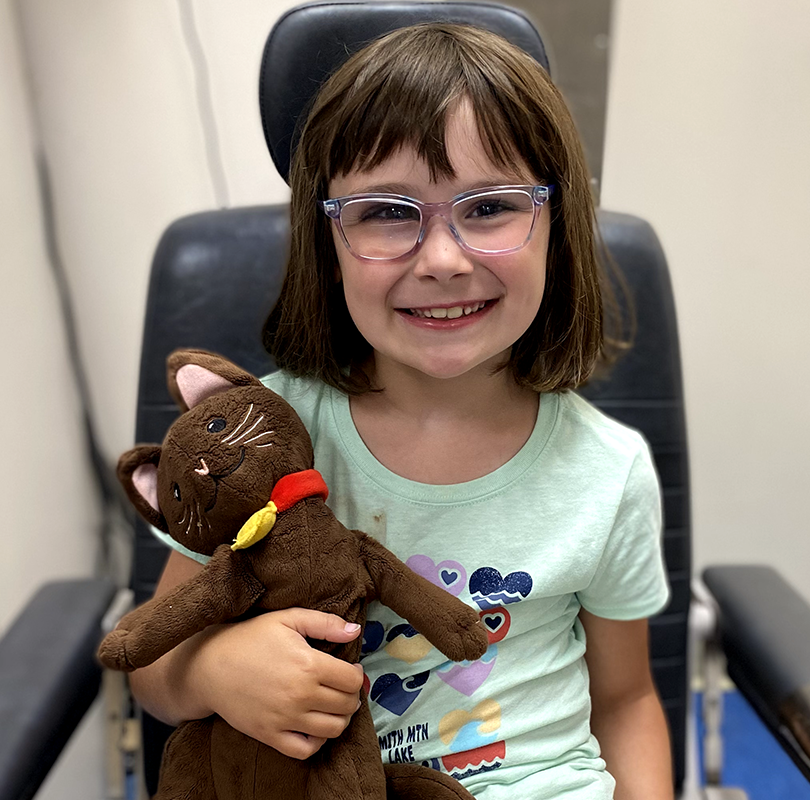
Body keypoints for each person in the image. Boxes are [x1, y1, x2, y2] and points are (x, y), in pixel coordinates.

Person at [130, 22, 673, 800]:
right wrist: (213, 670)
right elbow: (150, 667)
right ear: (328, 241)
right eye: (387, 211)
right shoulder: (256, 437)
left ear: (555, 229)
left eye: (490, 207)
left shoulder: (607, 470)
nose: (444, 259)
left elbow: (626, 699)